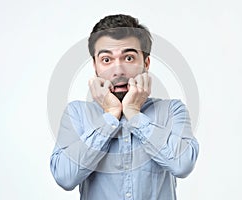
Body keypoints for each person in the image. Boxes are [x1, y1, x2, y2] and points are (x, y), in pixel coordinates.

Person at [50, 14, 199, 200]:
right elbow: (65, 177)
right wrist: (110, 116)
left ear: (146, 63)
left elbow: (182, 165)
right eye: (106, 60)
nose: (118, 70)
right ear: (95, 66)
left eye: (128, 58)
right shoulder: (77, 114)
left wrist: (134, 114)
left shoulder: (172, 111)